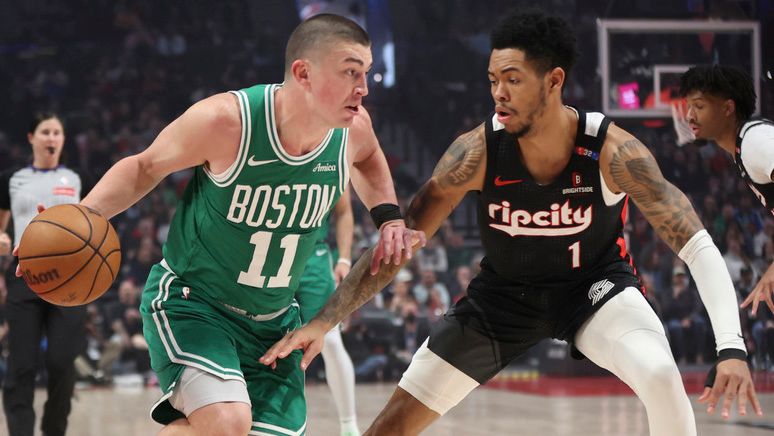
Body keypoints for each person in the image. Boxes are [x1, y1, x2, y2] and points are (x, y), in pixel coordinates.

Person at [262, 11, 762, 435]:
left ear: (554, 81)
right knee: (388, 428)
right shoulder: (477, 150)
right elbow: (399, 244)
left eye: (513, 80)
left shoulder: (611, 151)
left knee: (659, 374)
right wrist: (325, 321)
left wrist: (731, 347)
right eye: (492, 80)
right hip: (501, 299)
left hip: (594, 291)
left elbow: (696, 244)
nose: (498, 93)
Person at [12, 14, 423, 436]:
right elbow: (144, 167)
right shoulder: (228, 121)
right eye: (351, 72)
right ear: (303, 73)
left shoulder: (354, 130)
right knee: (227, 422)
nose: (364, 87)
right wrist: (80, 219)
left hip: (274, 323)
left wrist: (388, 217)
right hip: (196, 303)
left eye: (366, 72)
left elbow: (369, 158)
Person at [0, 113, 87, 436]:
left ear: (63, 139)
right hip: (24, 276)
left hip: (71, 280)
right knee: (21, 365)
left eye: (56, 132)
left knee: (63, 363)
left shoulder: (78, 178)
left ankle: (54, 430)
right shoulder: (12, 179)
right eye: (45, 132)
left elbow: (94, 224)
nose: (52, 138)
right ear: (31, 138)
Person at [673, 64, 774, 314]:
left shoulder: (755, 142)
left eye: (699, 106)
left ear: (728, 108)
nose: (689, 116)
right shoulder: (744, 145)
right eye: (688, 106)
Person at [295, 187, 360, 436]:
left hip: (314, 258)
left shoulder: (334, 164)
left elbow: (344, 211)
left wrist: (344, 259)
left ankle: (349, 425)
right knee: (269, 338)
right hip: (268, 254)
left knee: (331, 341)